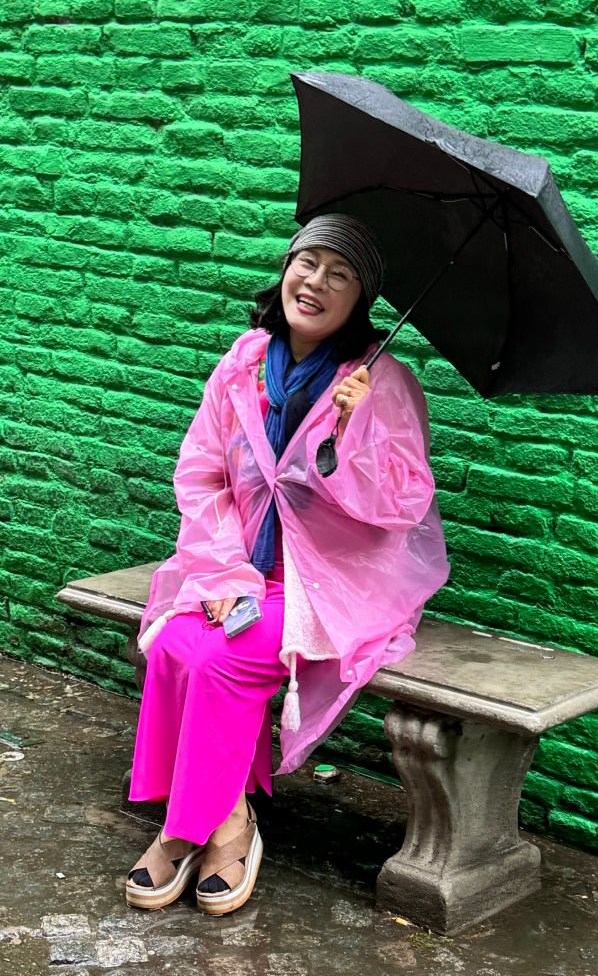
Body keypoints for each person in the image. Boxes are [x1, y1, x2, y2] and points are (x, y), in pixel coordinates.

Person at [125, 214, 450, 915]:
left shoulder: (381, 380)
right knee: (177, 644)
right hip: (235, 561)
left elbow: (401, 504)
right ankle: (227, 816)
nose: (317, 283)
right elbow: (201, 474)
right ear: (286, 269)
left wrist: (352, 431)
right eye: (309, 263)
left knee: (226, 656)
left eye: (341, 274)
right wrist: (223, 572)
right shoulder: (244, 361)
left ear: (359, 298)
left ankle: (192, 829)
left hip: (329, 578)